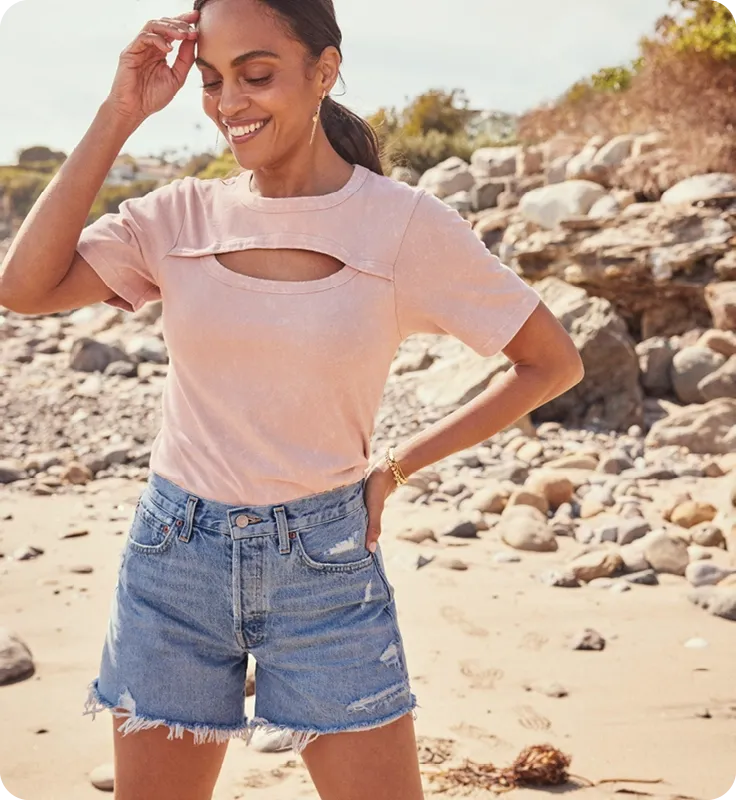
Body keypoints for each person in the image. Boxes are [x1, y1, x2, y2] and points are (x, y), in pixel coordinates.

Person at [0, 0, 584, 797]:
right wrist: (120, 112)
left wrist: (400, 466)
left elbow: (550, 362)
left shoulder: (404, 226)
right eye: (211, 80)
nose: (229, 102)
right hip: (175, 562)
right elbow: (24, 289)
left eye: (257, 74)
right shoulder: (176, 216)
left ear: (325, 70)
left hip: (327, 569)